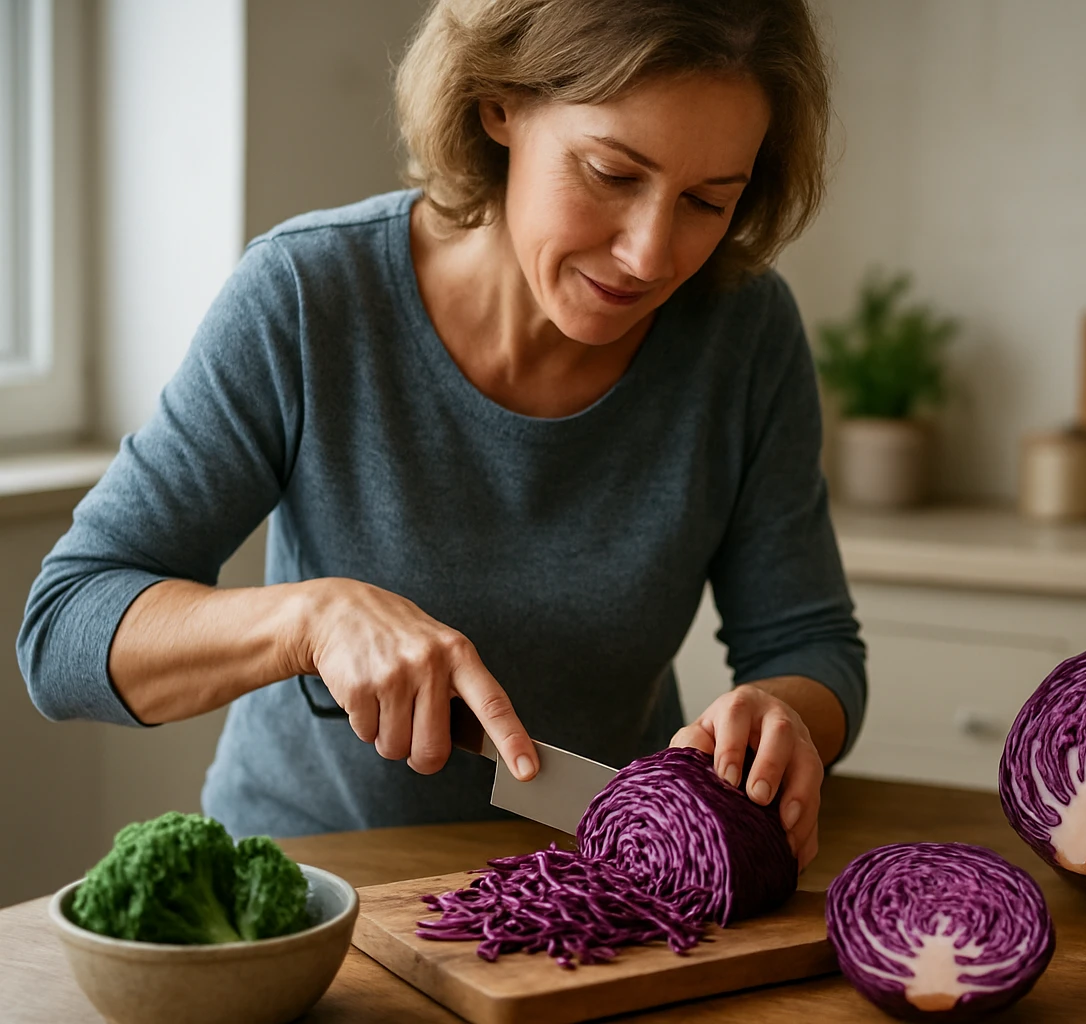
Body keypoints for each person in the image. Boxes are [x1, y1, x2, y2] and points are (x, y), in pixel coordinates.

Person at [17, 0, 864, 871]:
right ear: (499, 101)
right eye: (612, 173)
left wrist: (783, 712)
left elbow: (810, 646)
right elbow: (64, 633)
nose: (650, 255)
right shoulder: (309, 297)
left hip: (600, 888)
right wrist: (310, 619)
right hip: (312, 895)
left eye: (706, 200)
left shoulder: (745, 334)